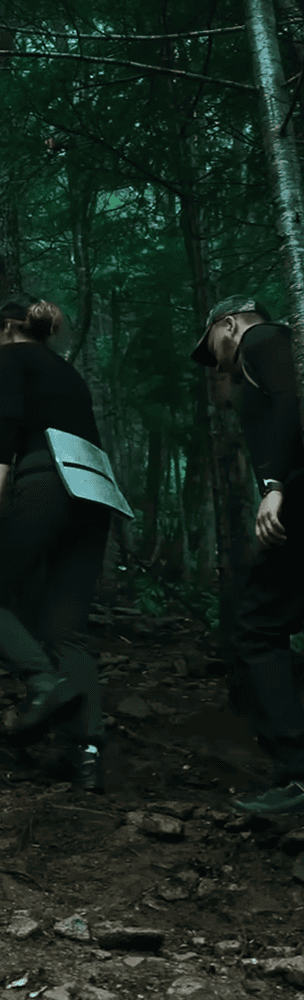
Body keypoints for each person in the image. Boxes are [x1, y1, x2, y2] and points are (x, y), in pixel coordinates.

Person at [0, 296, 113, 792]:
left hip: (48, 480)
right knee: (66, 631)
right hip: (97, 493)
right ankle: (86, 755)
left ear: (7, 329)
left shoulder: (12, 356)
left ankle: (44, 686)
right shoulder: (68, 372)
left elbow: (7, 423)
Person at [191, 296, 304, 814]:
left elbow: (287, 402)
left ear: (230, 324)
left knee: (259, 628)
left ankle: (298, 776)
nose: (215, 360)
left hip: (298, 496)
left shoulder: (264, 341)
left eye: (213, 344)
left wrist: (276, 485)